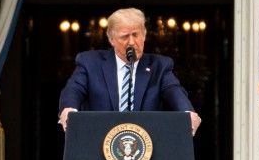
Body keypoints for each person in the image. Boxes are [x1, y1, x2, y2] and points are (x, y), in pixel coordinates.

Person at [58, 8, 201, 135]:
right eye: (125, 36)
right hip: (99, 143)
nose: (132, 42)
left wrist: (187, 112)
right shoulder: (90, 62)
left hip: (146, 147)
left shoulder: (160, 65)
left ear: (144, 35)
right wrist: (69, 109)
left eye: (136, 35)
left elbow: (173, 90)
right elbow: (74, 88)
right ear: (111, 39)